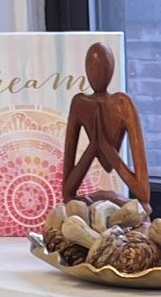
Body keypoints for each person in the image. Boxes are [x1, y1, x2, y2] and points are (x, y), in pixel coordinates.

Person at [61, 41, 149, 205]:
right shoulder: (80, 104)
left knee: (142, 208)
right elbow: (67, 193)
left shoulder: (122, 104)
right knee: (71, 206)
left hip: (125, 207)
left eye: (102, 68)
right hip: (84, 207)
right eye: (92, 68)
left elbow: (143, 194)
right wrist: (94, 146)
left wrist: (105, 147)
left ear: (112, 69)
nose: (97, 75)